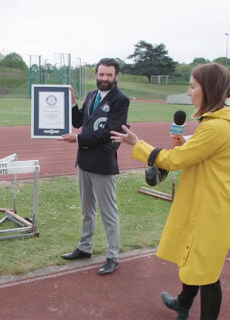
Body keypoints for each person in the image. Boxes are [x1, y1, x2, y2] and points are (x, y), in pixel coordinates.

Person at [111, 62, 230, 319]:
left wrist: (138, 145)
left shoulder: (218, 126)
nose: (188, 92)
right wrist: (189, 142)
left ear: (210, 89)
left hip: (213, 208)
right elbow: (210, 149)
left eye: (193, 86)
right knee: (196, 258)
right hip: (216, 203)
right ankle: (183, 302)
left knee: (207, 273)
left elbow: (174, 161)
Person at [59, 58, 129, 275]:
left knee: (109, 213)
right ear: (96, 75)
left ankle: (113, 256)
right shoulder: (91, 95)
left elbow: (109, 132)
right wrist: (72, 102)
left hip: (103, 165)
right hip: (85, 162)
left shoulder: (120, 100)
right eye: (101, 74)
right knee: (87, 211)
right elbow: (79, 122)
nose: (104, 79)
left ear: (116, 76)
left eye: (109, 75)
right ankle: (84, 247)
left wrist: (78, 139)